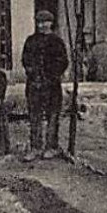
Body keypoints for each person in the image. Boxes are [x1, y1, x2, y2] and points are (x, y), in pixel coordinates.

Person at [20, 9, 68, 160]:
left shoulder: (57, 41)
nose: (41, 25)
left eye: (45, 22)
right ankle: (35, 147)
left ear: (50, 23)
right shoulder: (30, 41)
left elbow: (63, 62)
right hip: (34, 84)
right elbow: (25, 59)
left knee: (53, 116)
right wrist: (33, 74)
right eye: (39, 22)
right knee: (34, 116)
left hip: (52, 85)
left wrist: (51, 76)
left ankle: (51, 146)